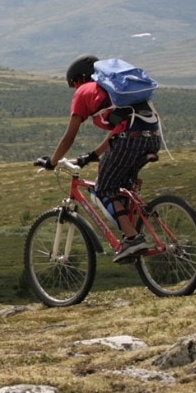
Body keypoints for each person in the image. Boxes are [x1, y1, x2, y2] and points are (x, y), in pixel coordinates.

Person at [35, 54, 162, 263]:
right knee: (120, 186)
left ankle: (133, 239)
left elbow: (69, 136)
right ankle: (133, 231)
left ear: (77, 80)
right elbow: (118, 129)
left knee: (104, 188)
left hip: (129, 140)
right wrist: (92, 156)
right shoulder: (115, 92)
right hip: (153, 139)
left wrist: (53, 161)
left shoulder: (84, 91)